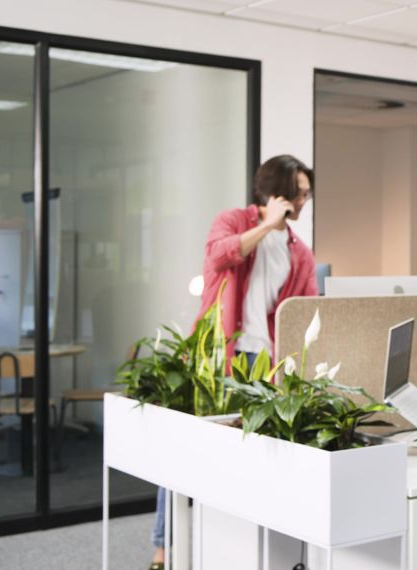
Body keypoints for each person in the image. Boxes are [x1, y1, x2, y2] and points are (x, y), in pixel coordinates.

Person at [149, 154, 318, 569]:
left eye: (308, 193)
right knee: (184, 446)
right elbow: (219, 257)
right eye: (300, 191)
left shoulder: (299, 251)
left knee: (246, 453)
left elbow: (309, 303)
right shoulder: (234, 221)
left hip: (265, 362)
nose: (305, 200)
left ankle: (227, 547)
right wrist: (266, 225)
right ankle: (162, 546)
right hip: (219, 356)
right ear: (277, 190)